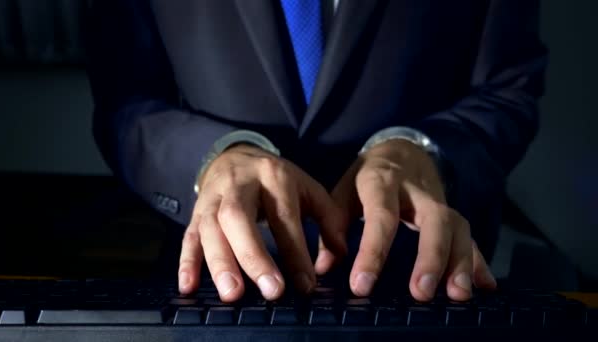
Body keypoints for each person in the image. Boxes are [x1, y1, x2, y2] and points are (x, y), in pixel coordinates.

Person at [87, 0, 547, 303]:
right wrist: (212, 156)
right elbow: (123, 100)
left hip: (426, 289)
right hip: (217, 287)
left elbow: (508, 90)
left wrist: (425, 149)